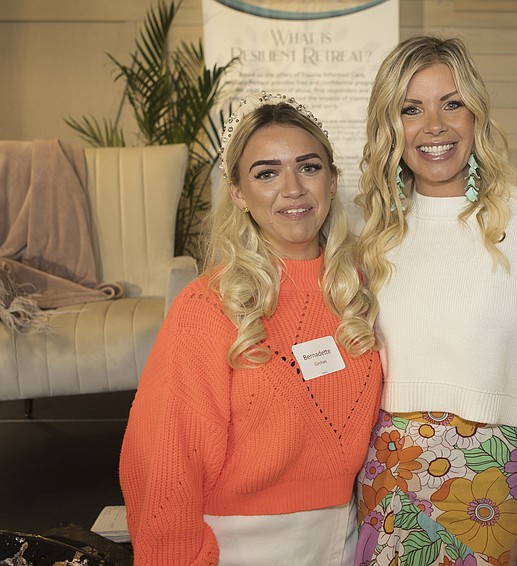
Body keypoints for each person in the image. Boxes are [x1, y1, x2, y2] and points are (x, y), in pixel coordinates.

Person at [353, 36, 517, 566]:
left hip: (496, 487)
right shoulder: (368, 234)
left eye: (451, 103)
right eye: (411, 109)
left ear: (476, 115)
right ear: (391, 125)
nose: (433, 126)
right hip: (384, 487)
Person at [119, 92, 382, 566]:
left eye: (308, 167)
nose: (293, 188)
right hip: (239, 546)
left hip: (346, 538)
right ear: (238, 193)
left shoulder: (358, 290)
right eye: (266, 173)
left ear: (332, 179)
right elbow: (164, 459)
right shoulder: (207, 306)